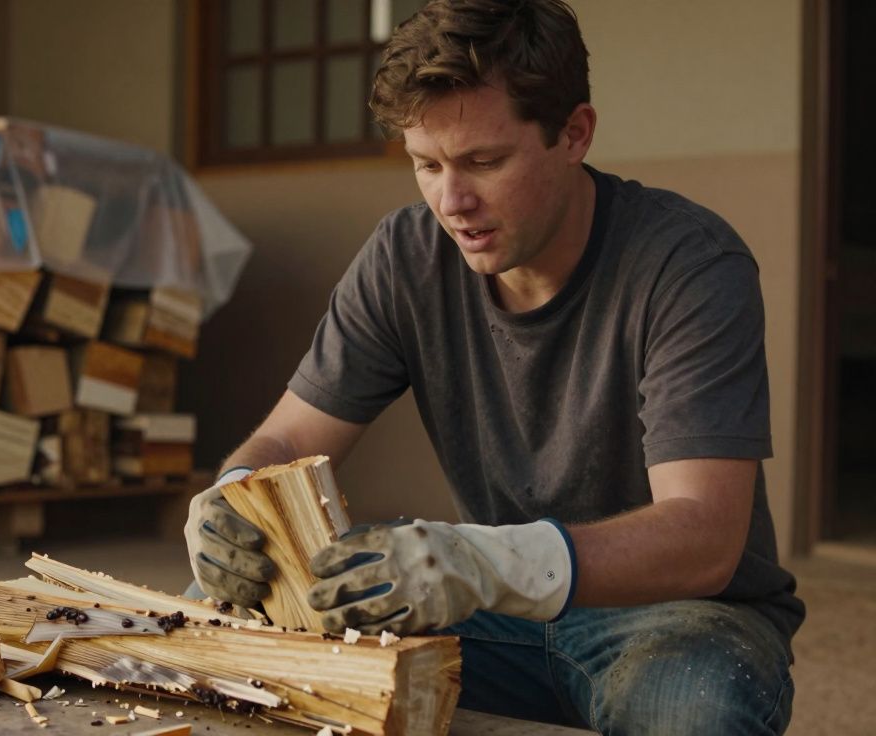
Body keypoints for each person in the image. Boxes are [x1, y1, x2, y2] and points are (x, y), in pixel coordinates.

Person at [183, 1, 804, 733]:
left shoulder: (689, 264)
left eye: (484, 162)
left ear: (575, 133)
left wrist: (480, 561)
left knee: (694, 714)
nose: (453, 202)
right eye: (427, 164)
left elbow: (703, 536)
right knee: (218, 633)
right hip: (491, 611)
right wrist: (230, 495)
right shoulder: (406, 256)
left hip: (679, 617)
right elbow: (288, 439)